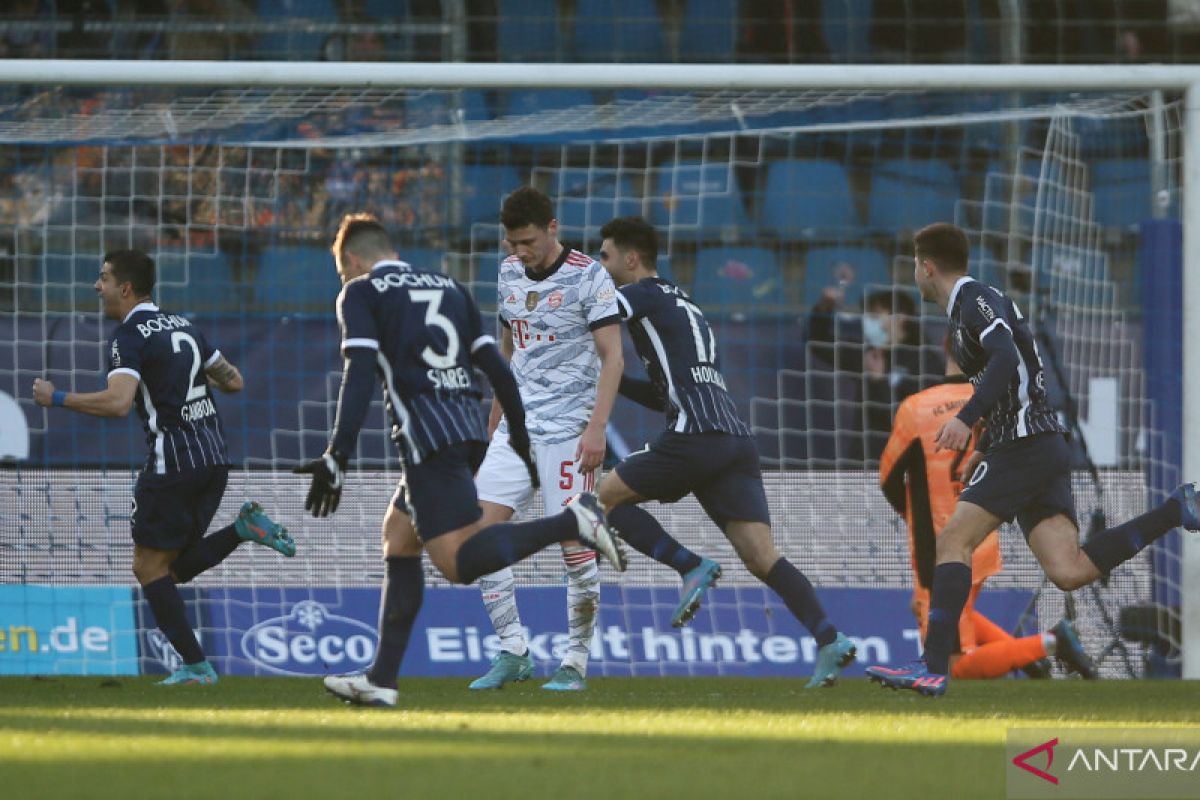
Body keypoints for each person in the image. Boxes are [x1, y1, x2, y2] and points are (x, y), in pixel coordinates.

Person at [301, 213, 624, 708]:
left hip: (427, 442)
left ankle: (573, 520)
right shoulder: (450, 288)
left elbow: (360, 371)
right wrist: (515, 432)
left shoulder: (363, 292)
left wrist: (337, 453)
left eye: (342, 269)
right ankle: (382, 678)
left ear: (350, 259)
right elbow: (498, 365)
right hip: (466, 431)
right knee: (399, 536)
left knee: (456, 564)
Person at [866, 222, 1199, 696]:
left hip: (1025, 445)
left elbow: (1004, 358)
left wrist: (968, 416)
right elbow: (1012, 371)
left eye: (914, 269)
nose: (914, 277)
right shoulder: (969, 307)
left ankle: (933, 668)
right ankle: (1176, 509)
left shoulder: (972, 299)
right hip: (1036, 443)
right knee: (1069, 570)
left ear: (926, 266)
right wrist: (985, 439)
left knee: (952, 543)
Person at [595, 216, 857, 689]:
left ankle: (687, 564)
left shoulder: (641, 294)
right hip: (733, 440)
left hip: (692, 437)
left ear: (631, 259)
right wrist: (612, 386)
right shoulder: (687, 305)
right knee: (761, 557)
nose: (601, 263)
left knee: (599, 501)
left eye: (606, 255)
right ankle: (829, 638)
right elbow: (664, 393)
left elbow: (589, 313)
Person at [31, 249, 296, 686]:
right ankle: (244, 530)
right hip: (214, 457)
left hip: (172, 462)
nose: (98, 287)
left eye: (103, 278)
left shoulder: (129, 336)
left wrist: (56, 398)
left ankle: (197, 667)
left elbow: (118, 403)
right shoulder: (184, 325)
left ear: (126, 288)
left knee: (148, 568)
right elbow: (234, 381)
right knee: (171, 568)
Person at [468, 186, 623, 693]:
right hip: (518, 426)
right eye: (512, 242)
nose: (520, 252)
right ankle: (513, 649)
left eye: (528, 241)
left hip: (571, 430)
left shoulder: (589, 276)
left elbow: (612, 356)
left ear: (552, 228)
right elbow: (510, 343)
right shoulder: (509, 271)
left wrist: (597, 428)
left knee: (575, 545)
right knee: (475, 535)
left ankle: (574, 661)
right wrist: (495, 411)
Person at [879, 346, 1098, 681]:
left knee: (953, 665)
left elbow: (889, 480)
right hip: (981, 535)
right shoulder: (1001, 405)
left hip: (938, 543)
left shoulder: (918, 407)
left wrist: (913, 517)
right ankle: (1026, 658)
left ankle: (1050, 643)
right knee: (946, 611)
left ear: (944, 348)